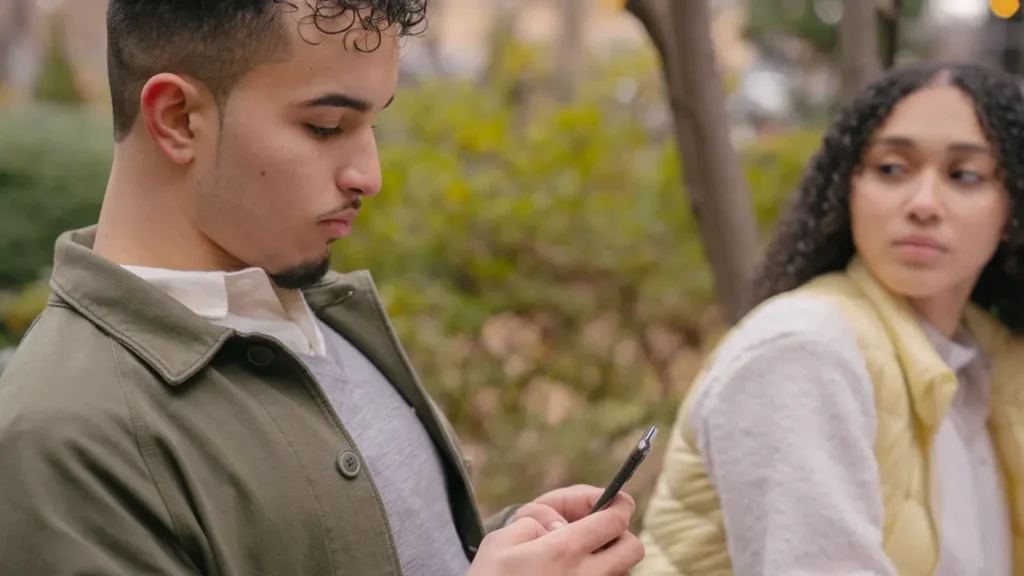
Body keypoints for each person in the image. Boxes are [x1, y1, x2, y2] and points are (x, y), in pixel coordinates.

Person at [0, 2, 645, 575]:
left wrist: (513, 547)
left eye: (374, 127)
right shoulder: (60, 440)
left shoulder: (325, 313)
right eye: (327, 127)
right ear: (177, 118)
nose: (370, 175)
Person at [635, 61, 1024, 576]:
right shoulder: (803, 349)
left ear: (1011, 208)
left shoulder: (994, 362)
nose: (923, 203)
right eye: (891, 168)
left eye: (964, 175)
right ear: (848, 188)